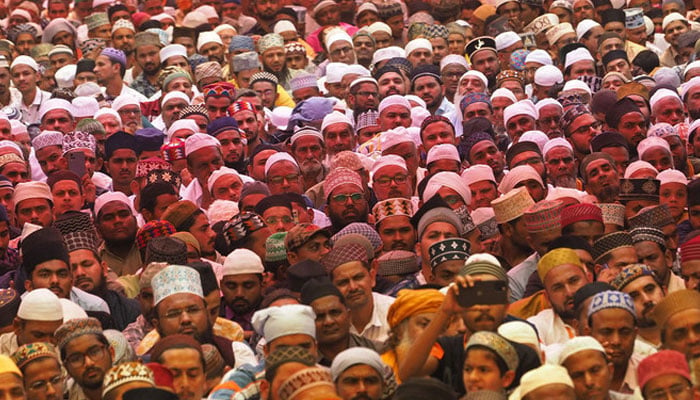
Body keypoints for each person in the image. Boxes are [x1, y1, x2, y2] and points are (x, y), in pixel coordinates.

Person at [54, 318, 114, 400]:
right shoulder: (63, 396)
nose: (89, 363)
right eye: (76, 359)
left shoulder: (133, 387)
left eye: (94, 352)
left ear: (111, 353)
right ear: (66, 367)